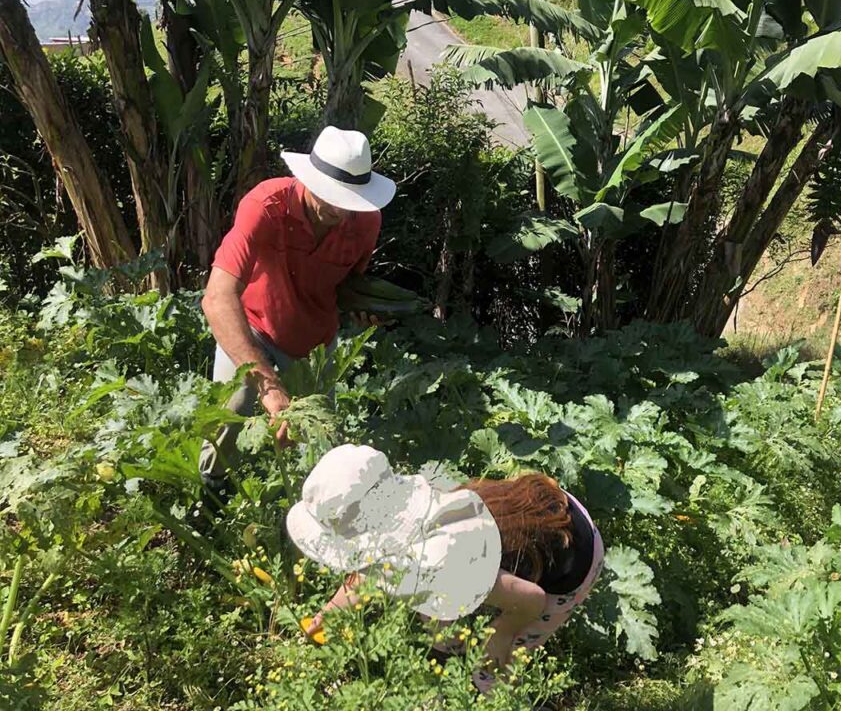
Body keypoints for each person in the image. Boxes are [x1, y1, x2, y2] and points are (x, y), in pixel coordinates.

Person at [288, 445, 604, 693]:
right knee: (433, 605)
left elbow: (531, 599)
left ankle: (492, 695)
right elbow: (372, 570)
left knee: (495, 660)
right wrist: (329, 612)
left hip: (572, 558)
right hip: (543, 506)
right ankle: (450, 650)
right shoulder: (412, 508)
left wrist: (503, 632)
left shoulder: (446, 563)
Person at [199, 128, 395, 491]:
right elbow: (216, 298)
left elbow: (350, 286)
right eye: (334, 196)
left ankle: (298, 512)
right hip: (253, 327)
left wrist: (366, 312)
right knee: (231, 416)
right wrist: (270, 387)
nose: (341, 209)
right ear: (310, 180)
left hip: (316, 342)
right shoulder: (266, 207)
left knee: (314, 443)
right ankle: (212, 498)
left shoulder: (366, 221)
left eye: (351, 199)